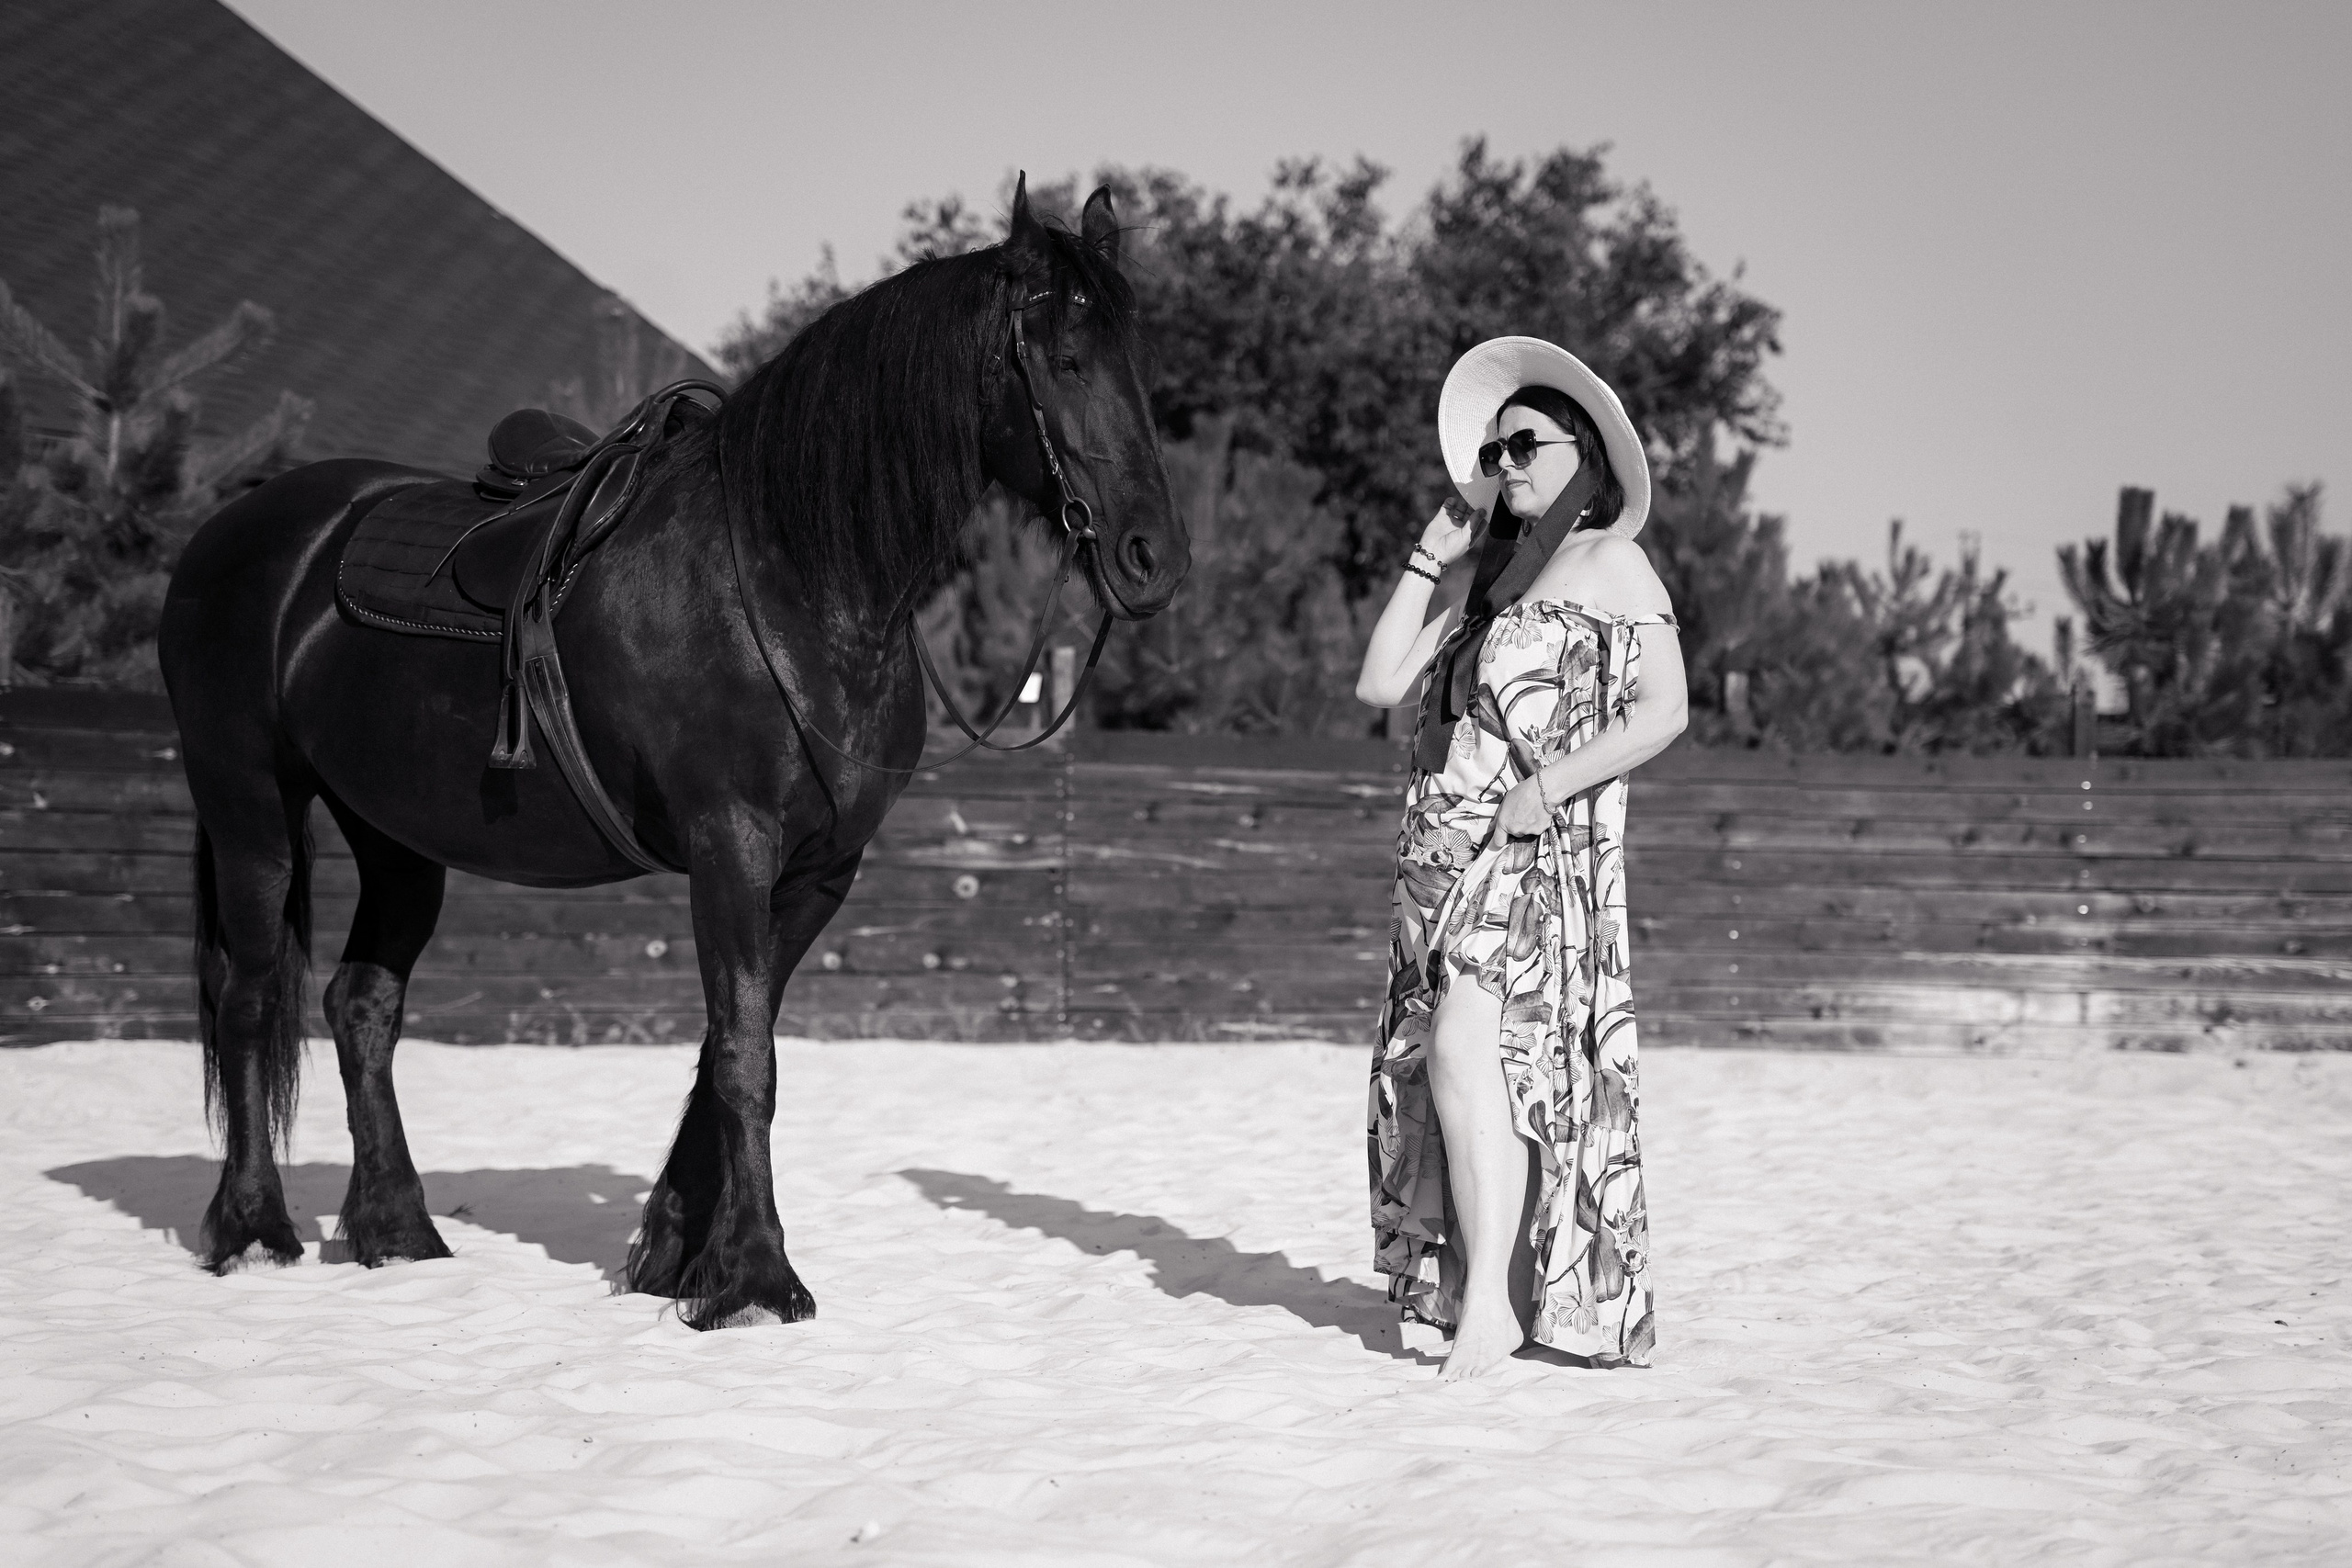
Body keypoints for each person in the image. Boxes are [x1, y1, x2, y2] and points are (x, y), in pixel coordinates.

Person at [1355, 336, 1688, 1381]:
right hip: (1438, 859)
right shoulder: (1487, 588)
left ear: (1579, 451)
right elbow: (1378, 686)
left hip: (1534, 848)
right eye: (1490, 454)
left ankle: (1492, 1313)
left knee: (1465, 1050)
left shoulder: (1611, 565)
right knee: (1459, 1073)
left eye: (1521, 448)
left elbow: (1664, 711)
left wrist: (1549, 788)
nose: (1502, 469)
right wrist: (1428, 557)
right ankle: (1490, 1297)